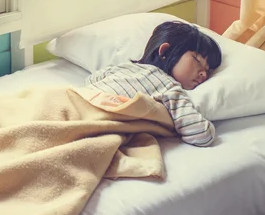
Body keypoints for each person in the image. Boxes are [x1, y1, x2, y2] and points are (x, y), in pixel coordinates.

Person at [86, 21, 222, 146]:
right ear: (165, 51)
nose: (204, 74)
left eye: (207, 70)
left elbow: (91, 80)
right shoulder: (169, 87)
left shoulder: (124, 67)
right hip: (93, 114)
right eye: (197, 60)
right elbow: (202, 134)